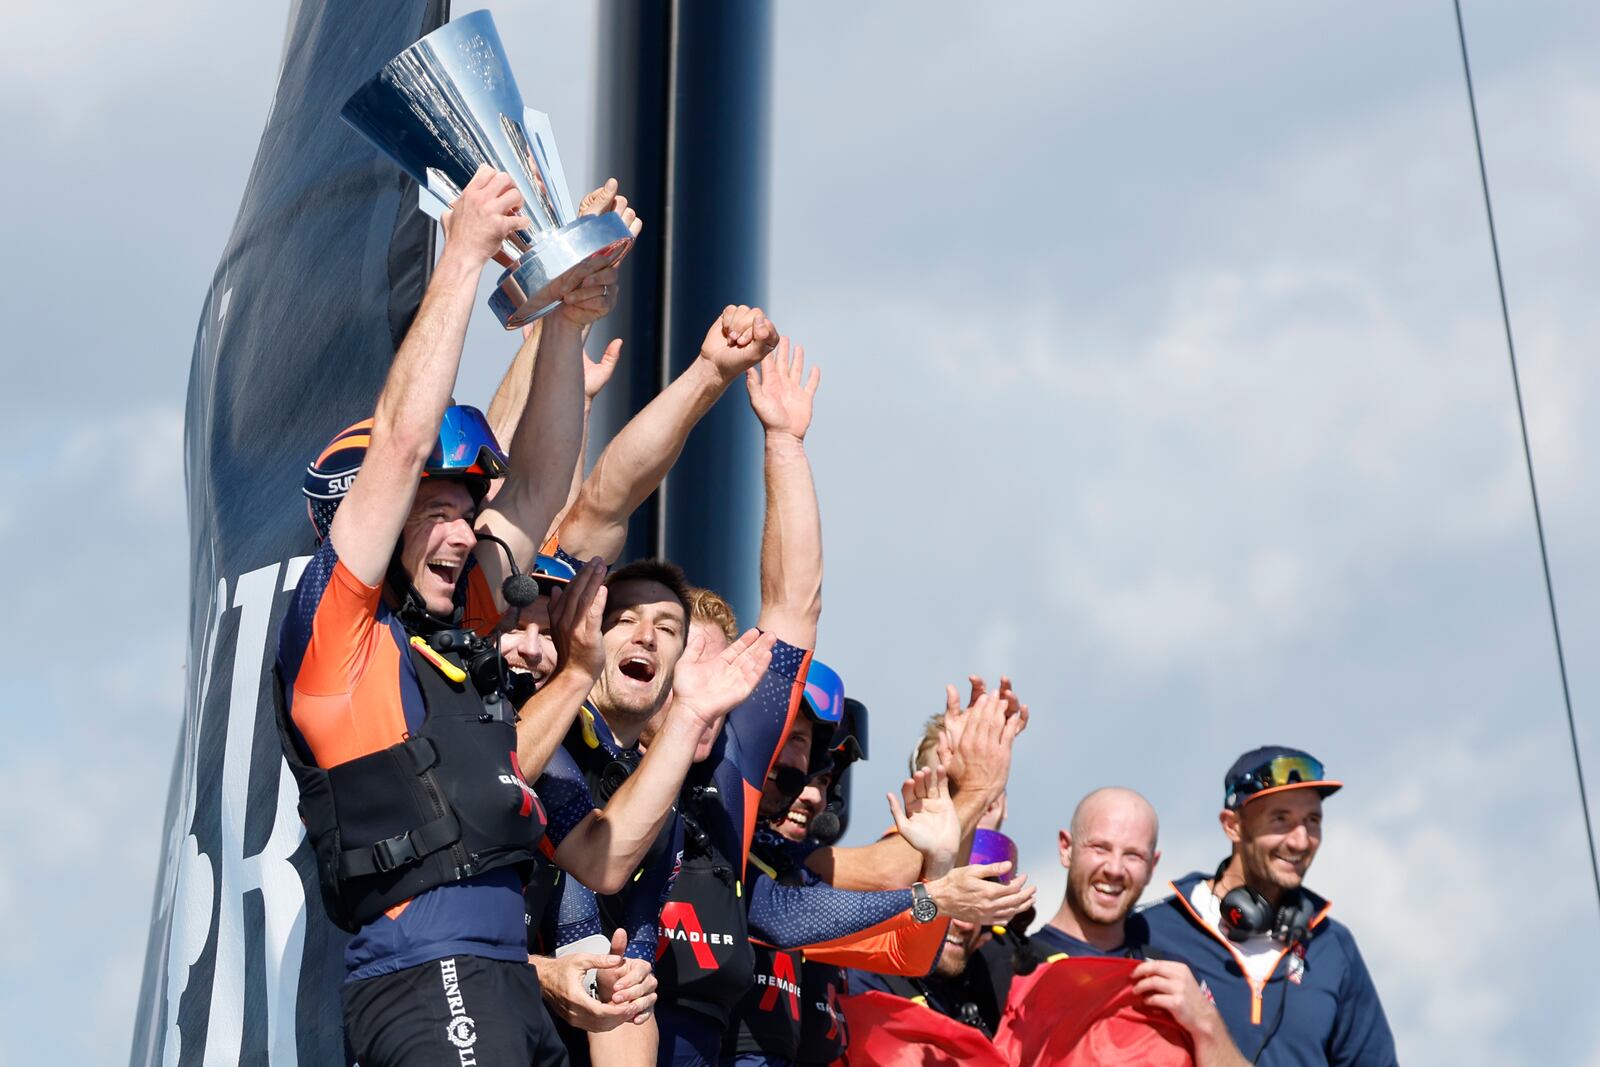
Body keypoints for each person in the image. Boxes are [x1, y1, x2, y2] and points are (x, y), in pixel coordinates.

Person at [274, 166, 619, 1065]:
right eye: (440, 510)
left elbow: (539, 486)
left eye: (469, 512)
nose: (466, 532)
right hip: (427, 977)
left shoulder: (447, 625)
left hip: (505, 975)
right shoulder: (335, 636)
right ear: (374, 517)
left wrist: (568, 313)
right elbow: (400, 441)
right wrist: (462, 254)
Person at [1141, 747, 1398, 1066]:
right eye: (1281, 820)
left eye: (1312, 821)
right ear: (1232, 825)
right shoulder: (1151, 929)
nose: (1300, 841)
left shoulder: (1333, 945)